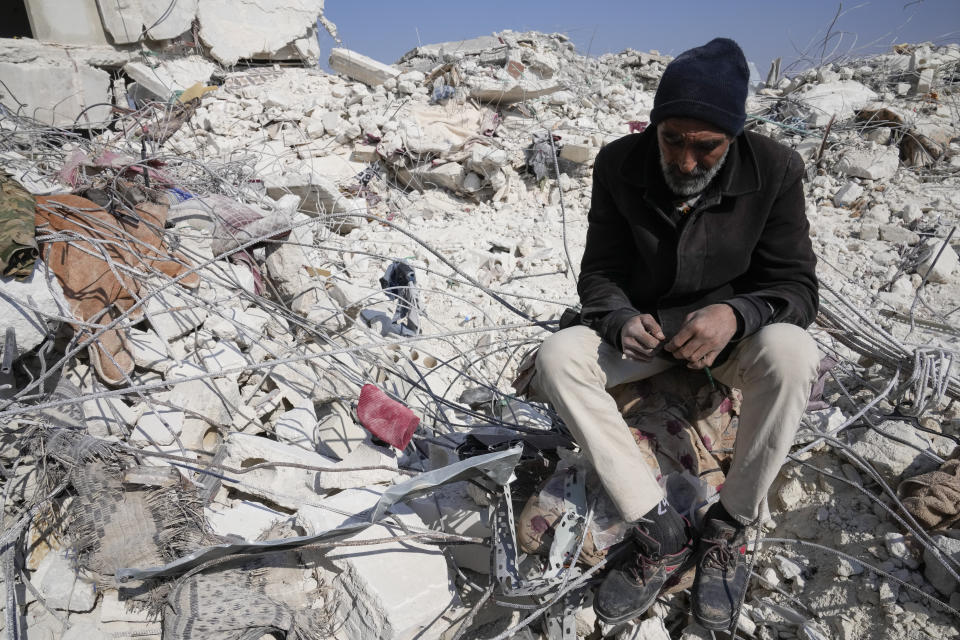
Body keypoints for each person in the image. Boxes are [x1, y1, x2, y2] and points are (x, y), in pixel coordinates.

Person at [530, 38, 820, 630]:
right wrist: (616, 320)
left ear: (734, 137)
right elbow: (601, 273)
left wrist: (736, 315)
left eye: (705, 146)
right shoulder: (618, 163)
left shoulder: (776, 169)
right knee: (559, 356)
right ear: (655, 126)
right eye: (672, 140)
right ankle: (655, 527)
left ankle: (730, 525)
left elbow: (796, 288)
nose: (686, 162)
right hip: (645, 339)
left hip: (728, 341)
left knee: (793, 352)